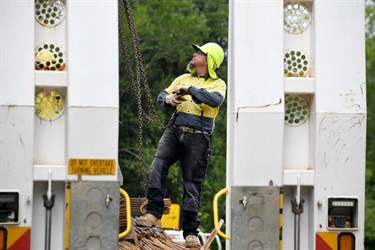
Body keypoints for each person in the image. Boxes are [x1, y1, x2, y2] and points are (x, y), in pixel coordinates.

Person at [135, 42, 226, 248]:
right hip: (175, 129)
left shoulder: (218, 84)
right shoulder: (183, 78)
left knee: (191, 183)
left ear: (209, 59)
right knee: (158, 165)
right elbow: (161, 96)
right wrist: (169, 98)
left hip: (199, 136)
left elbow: (214, 100)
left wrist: (190, 90)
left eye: (200, 52)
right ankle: (153, 213)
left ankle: (191, 233)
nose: (195, 54)